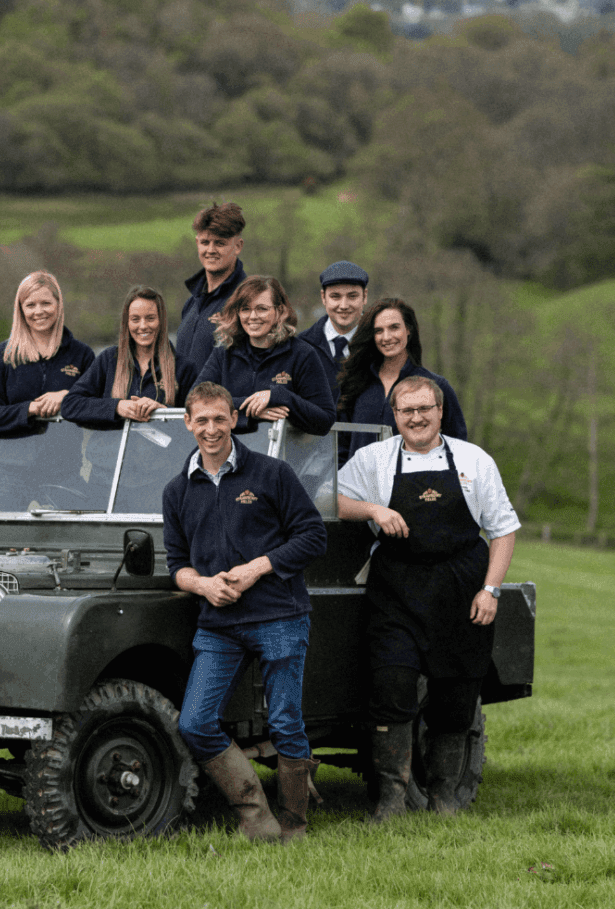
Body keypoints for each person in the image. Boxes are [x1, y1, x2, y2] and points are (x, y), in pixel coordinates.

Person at [336, 376, 519, 821]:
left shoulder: (474, 460)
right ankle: (392, 801)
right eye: (406, 411)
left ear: (439, 411)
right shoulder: (373, 459)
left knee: (455, 697)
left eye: (424, 409)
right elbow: (332, 499)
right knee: (391, 688)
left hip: (461, 591)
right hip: (396, 591)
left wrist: (490, 590)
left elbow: (503, 529)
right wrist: (374, 510)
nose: (415, 418)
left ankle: (444, 800)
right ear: (394, 416)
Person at [164, 382, 327, 843]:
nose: (211, 428)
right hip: (219, 624)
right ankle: (256, 817)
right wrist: (202, 584)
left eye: (220, 418)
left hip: (279, 614)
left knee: (284, 721)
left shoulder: (272, 474)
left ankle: (294, 824)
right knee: (195, 722)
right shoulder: (177, 490)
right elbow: (177, 565)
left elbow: (313, 536)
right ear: (187, 423)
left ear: (235, 418)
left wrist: (258, 568)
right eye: (202, 420)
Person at [195, 275, 335, 435]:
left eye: (262, 309)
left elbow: (325, 420)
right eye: (245, 309)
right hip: (229, 453)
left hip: (281, 456)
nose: (253, 316)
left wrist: (280, 396)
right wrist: (249, 410)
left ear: (280, 311)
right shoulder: (224, 352)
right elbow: (195, 401)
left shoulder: (302, 354)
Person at [337, 298, 466, 461]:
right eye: (378, 331)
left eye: (394, 328)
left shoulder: (437, 386)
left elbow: (457, 447)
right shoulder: (355, 384)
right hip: (358, 484)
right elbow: (339, 447)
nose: (386, 337)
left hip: (413, 485)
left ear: (408, 329)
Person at [0, 271, 95, 437]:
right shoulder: (2, 355)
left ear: (59, 304)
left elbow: (99, 407)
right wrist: (31, 408)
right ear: (21, 310)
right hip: (7, 461)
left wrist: (67, 396)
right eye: (30, 305)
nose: (39, 311)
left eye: (46, 303)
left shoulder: (82, 355)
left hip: (64, 460)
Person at [61, 285, 183, 426]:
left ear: (161, 321)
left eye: (150, 318)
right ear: (127, 323)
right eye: (135, 319)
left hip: (159, 448)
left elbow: (194, 419)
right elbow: (69, 405)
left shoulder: (182, 367)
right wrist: (117, 407)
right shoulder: (108, 360)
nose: (143, 326)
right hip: (107, 448)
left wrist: (164, 411)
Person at [174, 202, 247, 393]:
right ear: (197, 243)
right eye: (205, 242)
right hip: (185, 416)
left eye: (220, 243)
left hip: (222, 417)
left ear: (238, 246)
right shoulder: (191, 304)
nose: (211, 250)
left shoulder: (248, 300)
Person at [297, 260, 369, 404]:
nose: (343, 305)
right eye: (335, 296)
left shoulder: (381, 342)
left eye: (352, 296)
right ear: (323, 297)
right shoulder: (300, 346)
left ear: (365, 296)